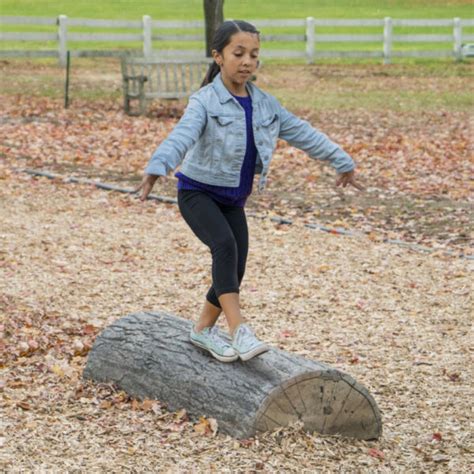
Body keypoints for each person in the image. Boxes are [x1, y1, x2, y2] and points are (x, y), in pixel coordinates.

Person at [136, 20, 363, 363]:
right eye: (238, 53)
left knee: (235, 266)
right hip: (198, 192)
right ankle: (239, 330)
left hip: (233, 199)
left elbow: (304, 134)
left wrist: (342, 161)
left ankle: (202, 331)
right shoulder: (205, 101)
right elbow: (182, 135)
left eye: (253, 55)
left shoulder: (266, 106)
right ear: (218, 56)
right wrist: (158, 166)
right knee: (224, 246)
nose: (246, 61)